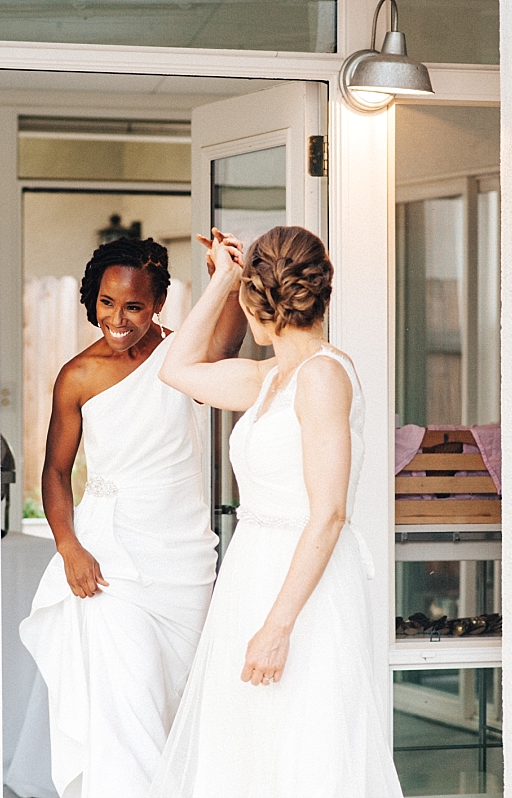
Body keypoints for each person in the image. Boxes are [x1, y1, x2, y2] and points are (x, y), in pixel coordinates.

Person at [149, 226, 404, 797]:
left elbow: (329, 514)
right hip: (253, 574)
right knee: (247, 746)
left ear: (257, 304)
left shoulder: (322, 377)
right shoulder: (270, 379)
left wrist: (277, 626)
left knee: (305, 744)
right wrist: (221, 280)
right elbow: (177, 369)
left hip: (303, 590)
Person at [19, 235, 246, 798]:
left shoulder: (182, 355)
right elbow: (55, 472)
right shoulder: (77, 375)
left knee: (179, 703)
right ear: (92, 300)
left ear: (158, 305)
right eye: (106, 303)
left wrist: (230, 276)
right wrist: (69, 546)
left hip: (182, 556)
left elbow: (224, 346)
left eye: (134, 306)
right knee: (127, 706)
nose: (117, 319)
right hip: (109, 559)